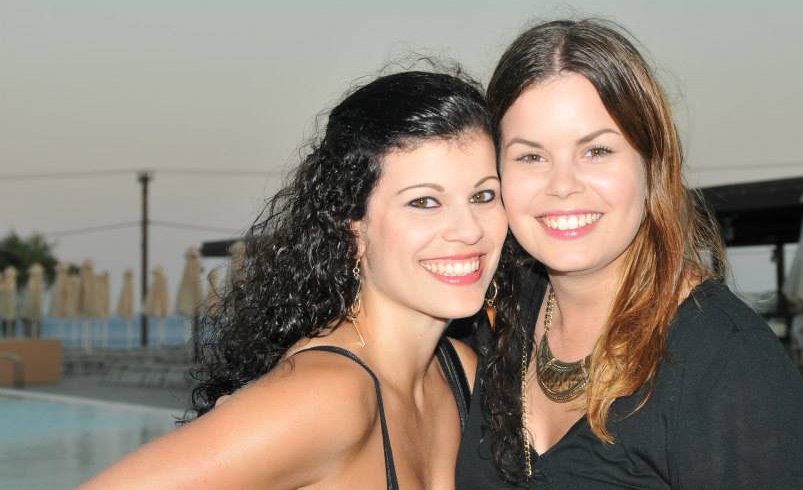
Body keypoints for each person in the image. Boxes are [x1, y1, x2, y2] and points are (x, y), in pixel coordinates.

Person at [81, 69, 508, 489]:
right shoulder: (327, 396)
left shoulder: (461, 372)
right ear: (352, 229)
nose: (469, 229)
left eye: (484, 195)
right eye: (424, 202)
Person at [456, 19, 803, 489]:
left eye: (597, 151)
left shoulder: (729, 360)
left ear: (652, 165)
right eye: (531, 156)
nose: (562, 185)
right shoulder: (496, 320)